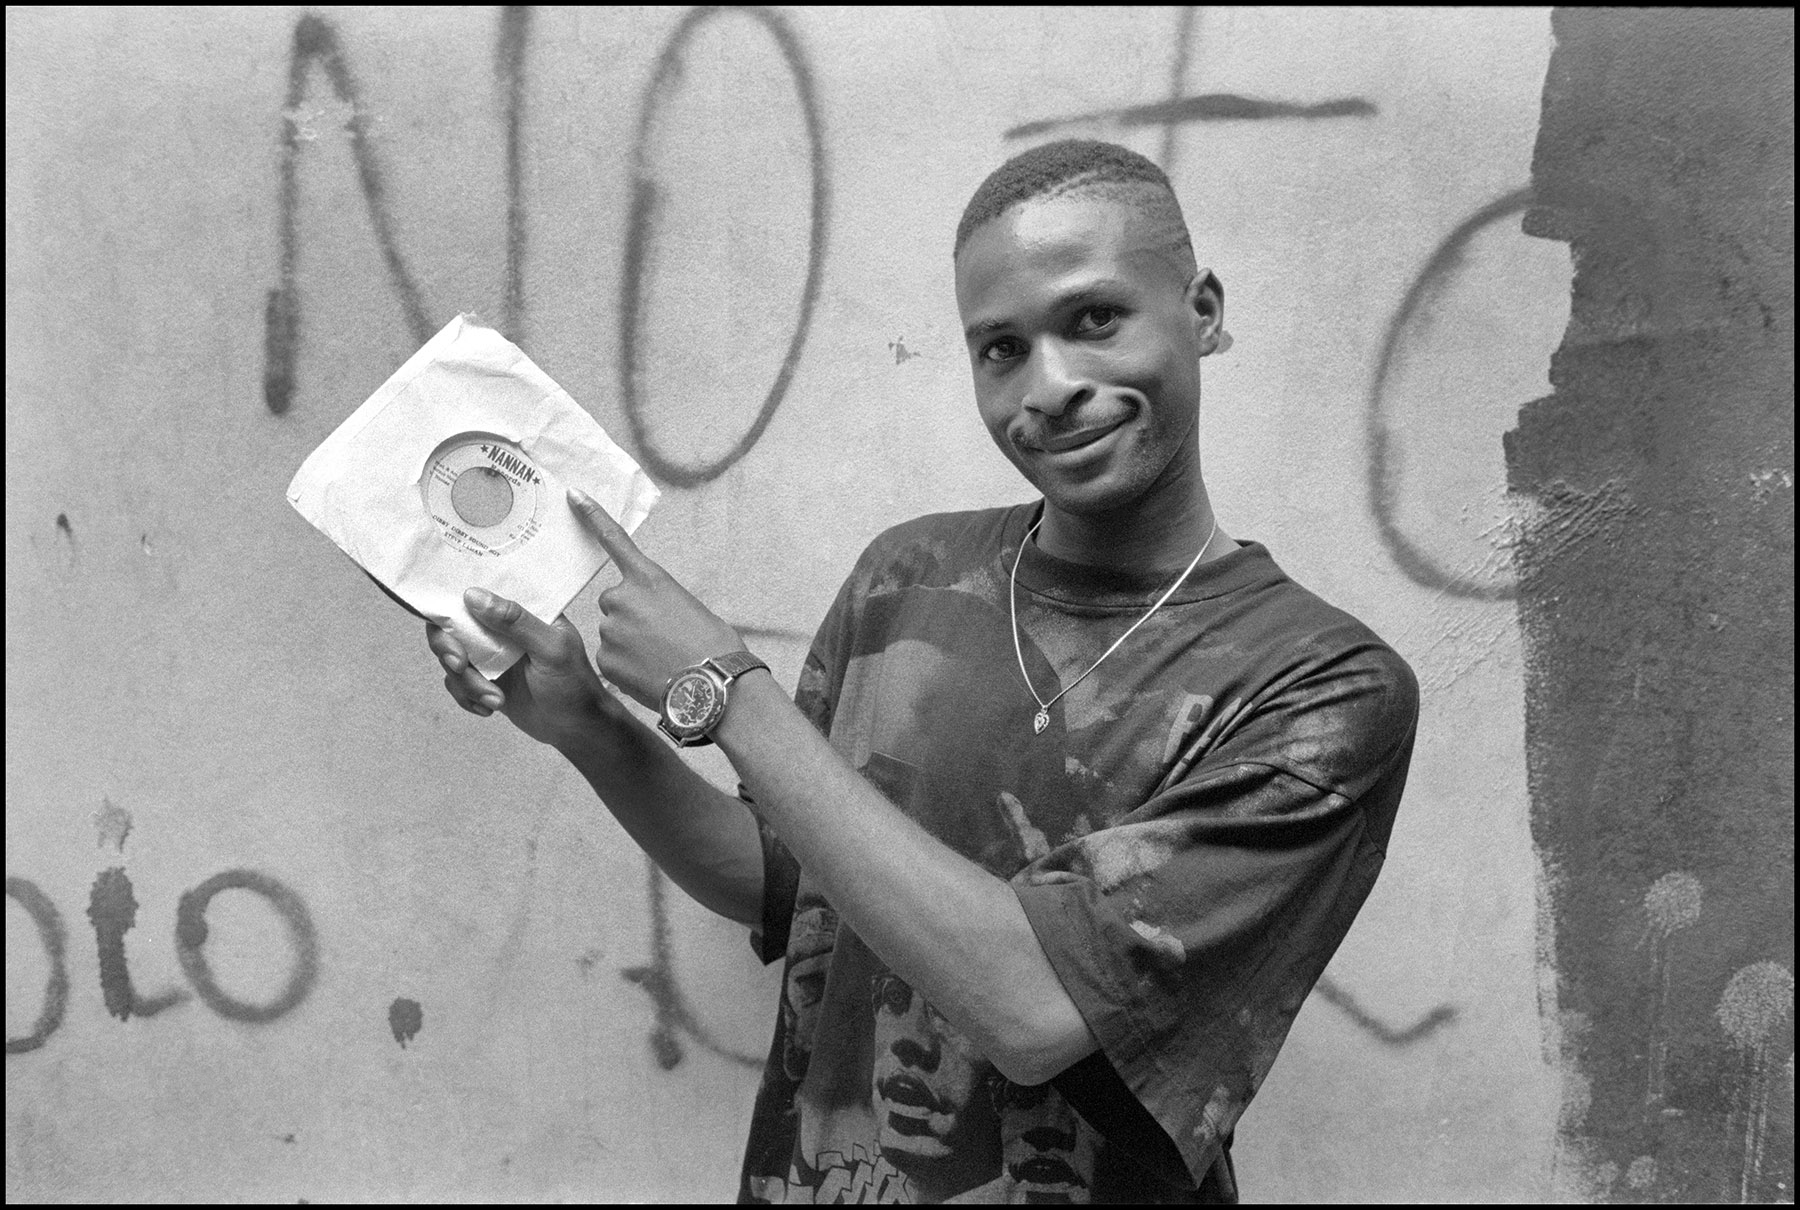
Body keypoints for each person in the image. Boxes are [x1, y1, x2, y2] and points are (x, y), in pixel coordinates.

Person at [425, 139, 1419, 1203]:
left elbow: (1034, 1011)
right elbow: (786, 882)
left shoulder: (1323, 688)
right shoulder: (908, 579)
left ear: (1204, 312)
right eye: (1001, 348)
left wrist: (722, 689)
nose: (1053, 388)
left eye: (1095, 319)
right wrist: (587, 724)